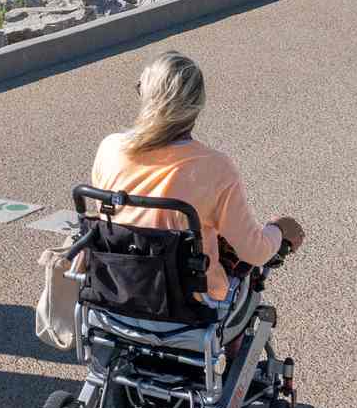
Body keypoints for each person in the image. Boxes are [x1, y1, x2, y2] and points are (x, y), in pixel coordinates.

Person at [88, 51, 304, 304]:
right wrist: (279, 229)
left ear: (144, 95)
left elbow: (111, 219)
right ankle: (234, 341)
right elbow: (254, 252)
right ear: (197, 104)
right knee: (242, 259)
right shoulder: (214, 167)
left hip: (116, 288)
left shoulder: (110, 147)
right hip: (188, 303)